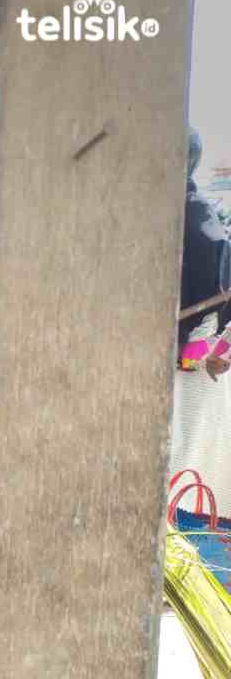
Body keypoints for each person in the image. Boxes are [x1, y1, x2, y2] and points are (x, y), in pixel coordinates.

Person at [169, 127, 231, 513]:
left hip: (194, 359)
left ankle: (178, 539)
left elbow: (221, 289)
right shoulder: (170, 209)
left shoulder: (198, 214)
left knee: (185, 453)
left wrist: (214, 343)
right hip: (178, 350)